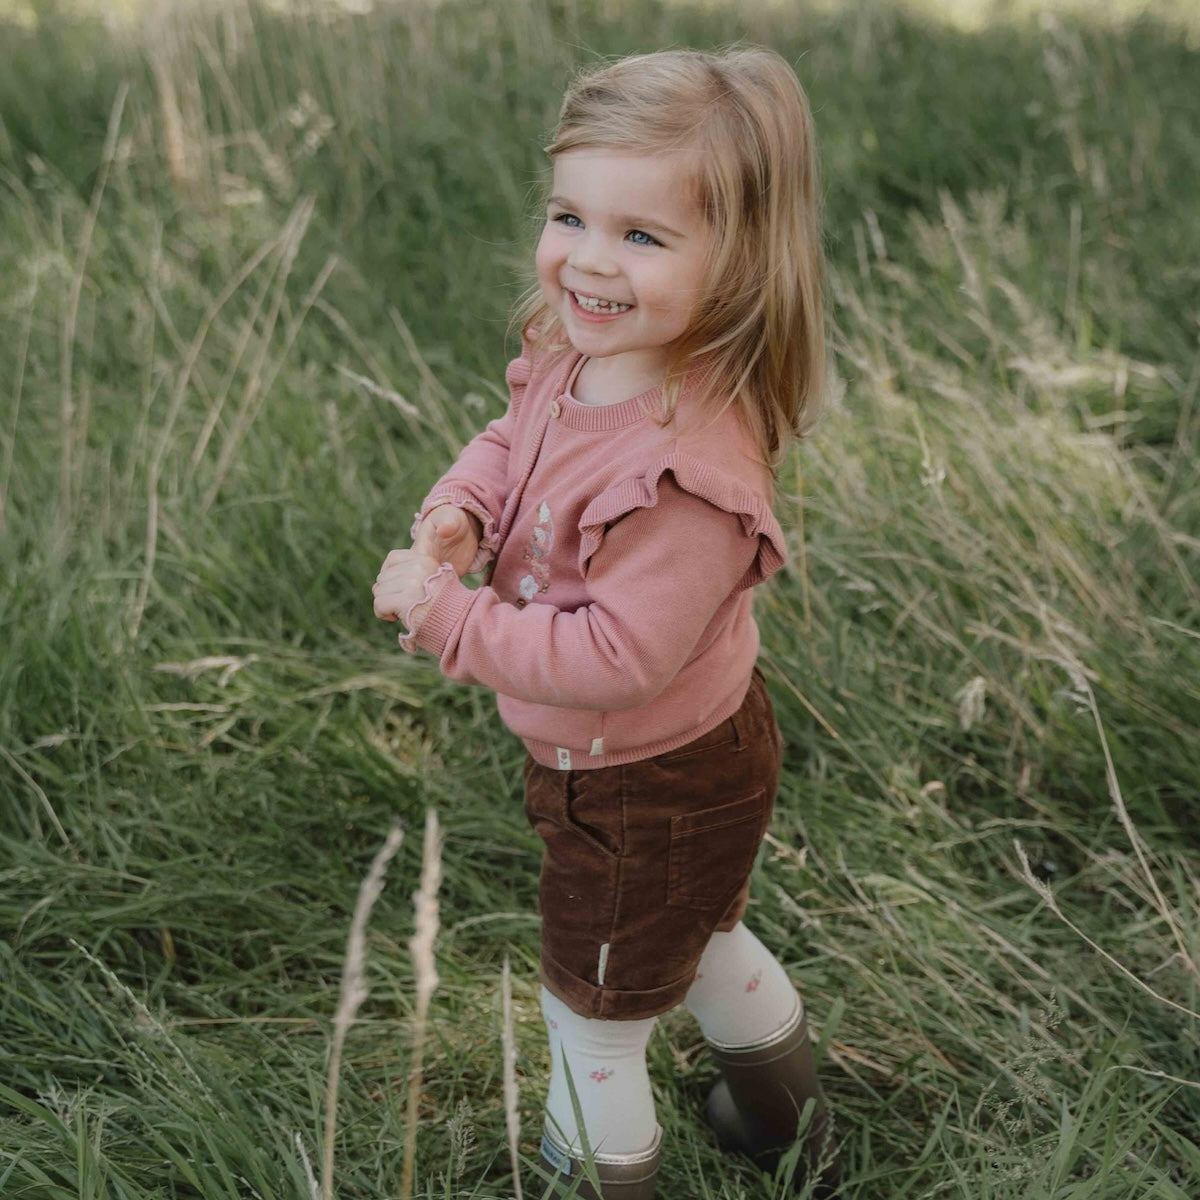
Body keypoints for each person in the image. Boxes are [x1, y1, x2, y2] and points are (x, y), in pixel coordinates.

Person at [372, 46, 839, 1199]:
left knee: (591, 1012)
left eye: (642, 236)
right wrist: (462, 510)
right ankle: (785, 1119)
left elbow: (616, 657)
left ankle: (597, 1175)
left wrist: (446, 619)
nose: (588, 259)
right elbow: (512, 436)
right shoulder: (583, 350)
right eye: (570, 213)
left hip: (650, 777)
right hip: (650, 766)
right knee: (705, 940)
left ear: (737, 259)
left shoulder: (690, 473)